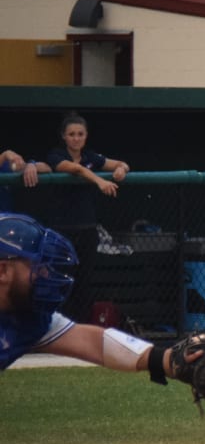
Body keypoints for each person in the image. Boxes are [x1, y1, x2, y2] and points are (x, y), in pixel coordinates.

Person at [1, 212, 205, 409]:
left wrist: (165, 359)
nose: (47, 276)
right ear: (3, 271)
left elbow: (93, 342)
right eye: (38, 268)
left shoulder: (28, 317)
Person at [43, 113, 131, 323]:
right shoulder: (56, 155)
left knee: (84, 280)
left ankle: (80, 328)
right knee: (61, 278)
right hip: (62, 230)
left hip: (87, 229)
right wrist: (100, 182)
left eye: (80, 134)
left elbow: (120, 163)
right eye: (71, 134)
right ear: (64, 136)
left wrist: (121, 170)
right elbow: (74, 169)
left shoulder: (91, 157)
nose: (76, 138)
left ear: (86, 136)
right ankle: (56, 326)